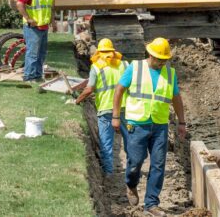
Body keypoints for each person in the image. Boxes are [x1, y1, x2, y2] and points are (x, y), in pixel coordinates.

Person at [112, 37, 186, 217]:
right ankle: (131, 184)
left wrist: (181, 122)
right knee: (135, 162)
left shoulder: (170, 73)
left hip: (160, 125)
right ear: (150, 54)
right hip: (137, 123)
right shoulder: (135, 68)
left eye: (164, 59)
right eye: (158, 58)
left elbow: (176, 98)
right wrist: (115, 116)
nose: (161, 62)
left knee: (158, 164)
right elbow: (119, 90)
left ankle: (151, 203)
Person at [75, 38, 128, 177]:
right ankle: (133, 168)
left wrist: (77, 100)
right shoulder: (123, 65)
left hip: (105, 109)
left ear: (99, 51)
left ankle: (108, 172)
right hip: (123, 108)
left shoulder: (96, 67)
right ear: (113, 50)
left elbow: (90, 89)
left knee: (106, 143)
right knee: (130, 140)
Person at [17, 0, 56, 82]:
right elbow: (20, 4)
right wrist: (28, 19)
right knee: (33, 53)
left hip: (43, 27)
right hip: (32, 28)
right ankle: (29, 77)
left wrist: (52, 20)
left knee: (41, 53)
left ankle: (37, 76)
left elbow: (50, 7)